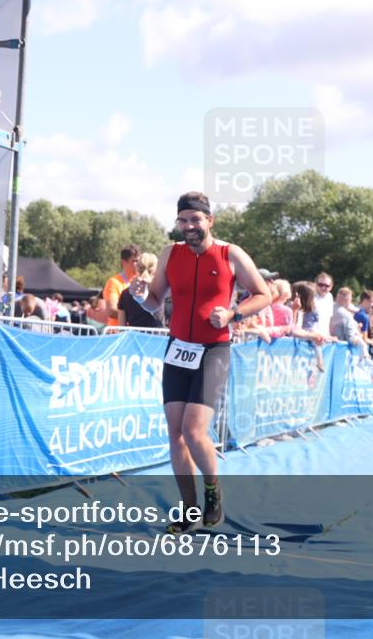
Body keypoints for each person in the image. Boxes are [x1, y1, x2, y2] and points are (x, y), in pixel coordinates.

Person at [129, 192, 270, 533]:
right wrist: (139, 295)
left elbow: (265, 294)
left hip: (213, 350)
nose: (189, 226)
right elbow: (155, 302)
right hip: (178, 348)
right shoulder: (170, 254)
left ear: (209, 221)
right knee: (175, 434)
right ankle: (189, 509)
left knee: (194, 430)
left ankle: (212, 490)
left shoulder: (230, 253)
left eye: (195, 219)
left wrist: (234, 313)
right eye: (183, 220)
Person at [96, 244, 141, 328]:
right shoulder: (113, 282)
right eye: (134, 261)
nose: (138, 264)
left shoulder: (140, 281)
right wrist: (135, 317)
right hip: (117, 334)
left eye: (138, 261)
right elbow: (111, 311)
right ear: (123, 262)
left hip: (135, 333)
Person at [118, 252, 163, 328]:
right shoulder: (161, 291)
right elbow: (164, 319)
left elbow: (121, 326)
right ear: (156, 270)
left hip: (134, 338)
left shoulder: (125, 293)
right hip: (158, 338)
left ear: (137, 269)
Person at [312, 272, 335, 339]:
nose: (323, 287)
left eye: (326, 285)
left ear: (331, 287)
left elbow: (329, 319)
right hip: (312, 336)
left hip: (324, 337)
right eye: (320, 285)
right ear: (316, 284)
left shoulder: (329, 297)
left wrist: (329, 335)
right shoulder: (311, 296)